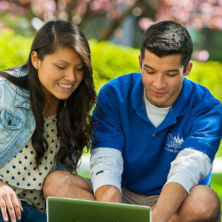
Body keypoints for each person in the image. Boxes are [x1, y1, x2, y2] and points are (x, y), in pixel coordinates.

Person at [43, 21, 222, 222]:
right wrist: (115, 214)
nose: (159, 83)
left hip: (173, 201)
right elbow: (107, 161)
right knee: (57, 183)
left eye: (171, 74)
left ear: (187, 68)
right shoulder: (114, 94)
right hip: (121, 192)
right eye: (150, 71)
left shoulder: (207, 108)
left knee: (205, 201)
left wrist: (155, 217)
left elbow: (187, 169)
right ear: (140, 62)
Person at [0, 20, 96, 222]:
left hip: (38, 214)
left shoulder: (72, 105)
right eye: (61, 66)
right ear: (36, 59)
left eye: (79, 69)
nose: (71, 77)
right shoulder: (4, 92)